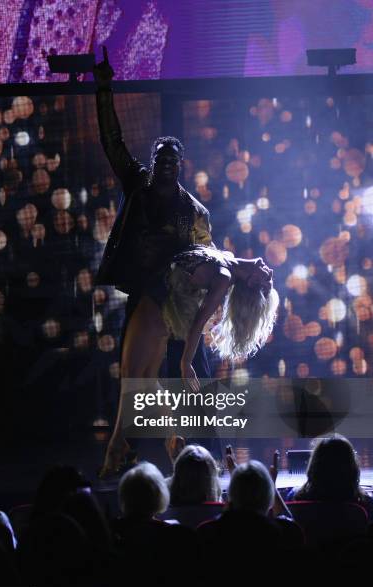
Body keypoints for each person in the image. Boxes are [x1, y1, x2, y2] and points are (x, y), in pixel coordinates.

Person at [101, 243, 278, 474]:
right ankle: (168, 438)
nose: (271, 272)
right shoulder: (227, 258)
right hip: (158, 301)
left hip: (156, 305)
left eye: (267, 280)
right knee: (139, 380)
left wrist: (186, 363)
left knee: (134, 378)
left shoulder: (224, 277)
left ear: (253, 282)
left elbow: (198, 323)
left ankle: (123, 448)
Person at [93, 45, 214, 380]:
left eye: (171, 160)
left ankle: (202, 432)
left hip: (177, 303)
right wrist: (104, 89)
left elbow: (209, 257)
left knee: (188, 370)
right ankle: (137, 431)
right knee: (136, 372)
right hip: (141, 295)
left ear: (181, 165)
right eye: (160, 159)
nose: (165, 164)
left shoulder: (194, 211)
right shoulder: (137, 185)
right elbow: (112, 141)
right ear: (153, 160)